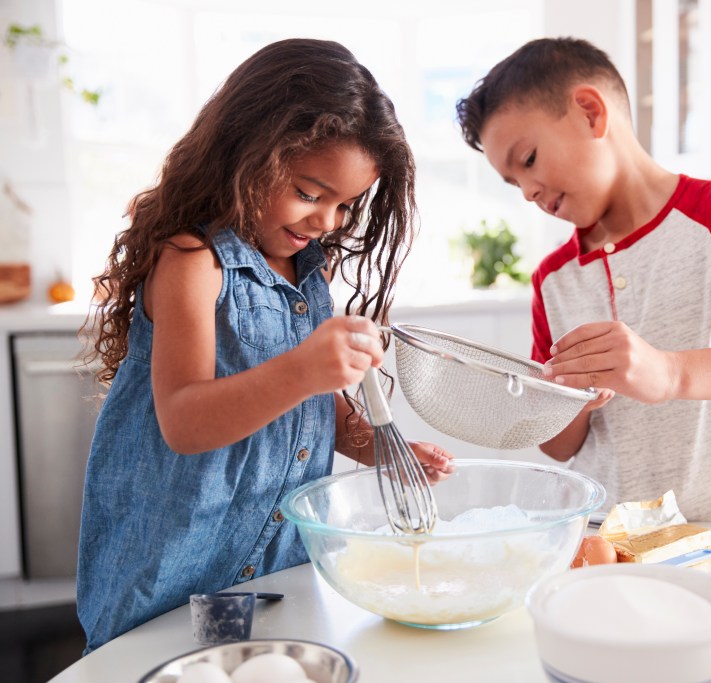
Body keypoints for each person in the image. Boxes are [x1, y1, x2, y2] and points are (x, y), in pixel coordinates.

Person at [76, 38, 454, 652]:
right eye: (310, 193)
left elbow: (308, 412)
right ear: (245, 157)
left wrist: (379, 446)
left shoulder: (309, 274)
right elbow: (184, 421)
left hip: (274, 567)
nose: (326, 221)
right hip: (174, 573)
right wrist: (306, 369)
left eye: (344, 205)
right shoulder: (193, 264)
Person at [456, 37, 711, 525]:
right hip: (602, 542)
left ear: (591, 113)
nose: (528, 190)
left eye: (528, 159)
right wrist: (576, 396)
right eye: (513, 183)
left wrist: (669, 373)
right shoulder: (554, 279)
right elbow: (557, 445)